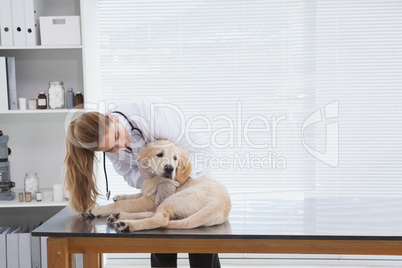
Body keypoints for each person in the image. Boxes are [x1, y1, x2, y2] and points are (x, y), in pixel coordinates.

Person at [64, 97, 220, 268]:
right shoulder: (107, 145)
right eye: (111, 148)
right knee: (161, 245)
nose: (121, 145)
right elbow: (129, 174)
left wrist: (175, 179)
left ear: (113, 119)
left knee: (201, 247)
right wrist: (150, 177)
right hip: (161, 195)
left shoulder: (153, 118)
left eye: (117, 135)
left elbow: (201, 151)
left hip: (194, 181)